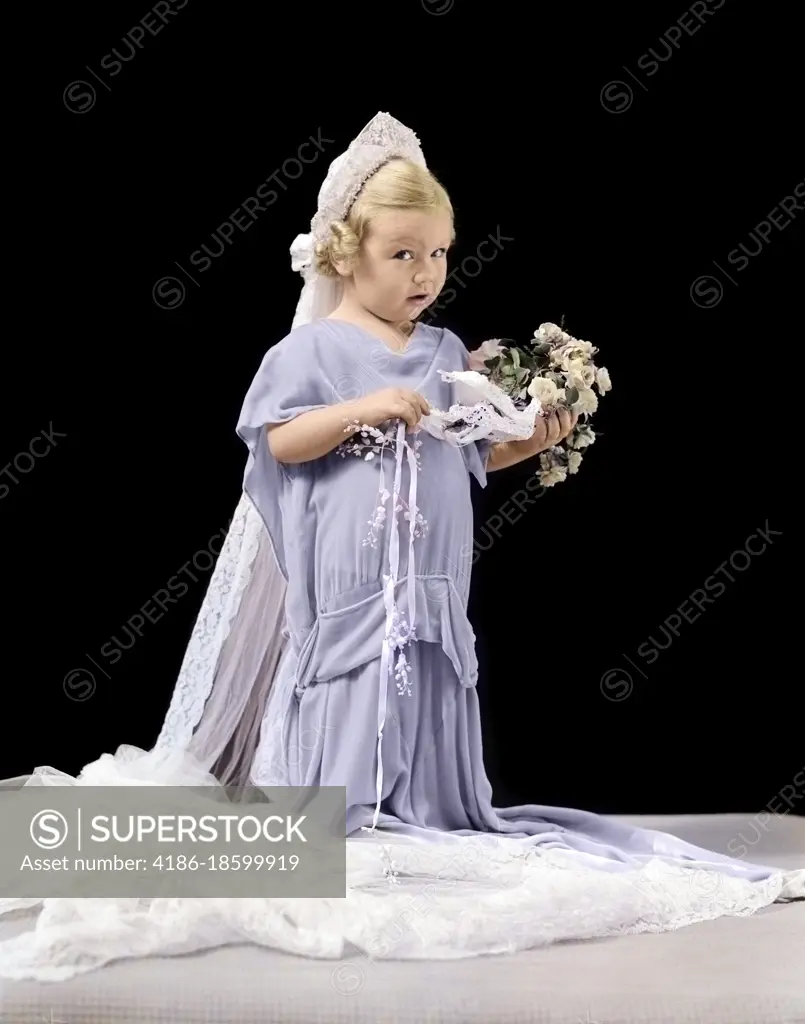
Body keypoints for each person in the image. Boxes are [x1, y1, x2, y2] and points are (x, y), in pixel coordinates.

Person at [0, 112, 801, 981]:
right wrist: (360, 408)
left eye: (440, 254)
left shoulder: (444, 349)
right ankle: (333, 812)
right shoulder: (310, 350)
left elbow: (461, 452)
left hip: (428, 576)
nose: (426, 274)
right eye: (403, 254)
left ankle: (425, 805)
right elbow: (275, 444)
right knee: (349, 690)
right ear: (347, 253)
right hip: (351, 580)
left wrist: (525, 441)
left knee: (428, 675)